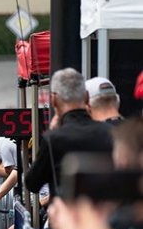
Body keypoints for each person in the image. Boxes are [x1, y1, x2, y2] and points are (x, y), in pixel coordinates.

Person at [25, 68, 114, 198]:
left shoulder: (54, 139)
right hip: (103, 216)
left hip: (66, 215)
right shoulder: (110, 133)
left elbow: (32, 184)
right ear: (87, 97)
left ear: (54, 100)